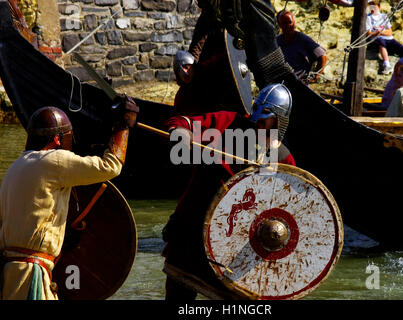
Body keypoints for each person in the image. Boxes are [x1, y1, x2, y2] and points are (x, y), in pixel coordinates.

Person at [161, 83, 296, 300]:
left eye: (265, 121)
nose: (258, 124)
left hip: (237, 251)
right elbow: (183, 121)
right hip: (191, 234)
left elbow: (289, 210)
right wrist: (181, 133)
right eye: (257, 119)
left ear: (279, 122)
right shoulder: (227, 125)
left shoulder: (282, 159)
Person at [0, 99, 139, 300]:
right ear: (58, 139)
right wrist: (123, 126)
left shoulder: (14, 168)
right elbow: (111, 166)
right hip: (31, 275)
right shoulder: (52, 161)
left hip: (9, 275)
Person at [276, 10, 328, 83]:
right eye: (284, 23)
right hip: (282, 83)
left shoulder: (303, 39)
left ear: (294, 22)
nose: (288, 26)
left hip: (300, 84)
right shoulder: (277, 41)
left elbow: (323, 56)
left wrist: (315, 76)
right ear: (279, 24)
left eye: (290, 22)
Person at [366, 0, 403, 75]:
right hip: (376, 40)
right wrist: (378, 32)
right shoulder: (368, 18)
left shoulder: (384, 16)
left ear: (379, 7)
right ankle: (387, 65)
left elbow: (390, 32)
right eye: (371, 7)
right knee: (381, 42)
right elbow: (368, 33)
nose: (373, 9)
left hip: (389, 39)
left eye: (374, 7)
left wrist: (380, 32)